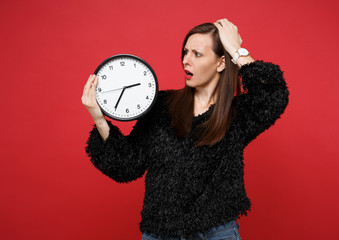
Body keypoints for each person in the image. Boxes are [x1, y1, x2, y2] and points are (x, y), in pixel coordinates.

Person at [82, 19, 289, 240]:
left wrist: (236, 50)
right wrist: (99, 118)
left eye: (196, 54)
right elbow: (126, 166)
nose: (185, 60)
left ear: (220, 63)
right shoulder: (161, 105)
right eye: (185, 52)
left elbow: (273, 93)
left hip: (217, 234)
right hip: (159, 234)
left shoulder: (237, 114)